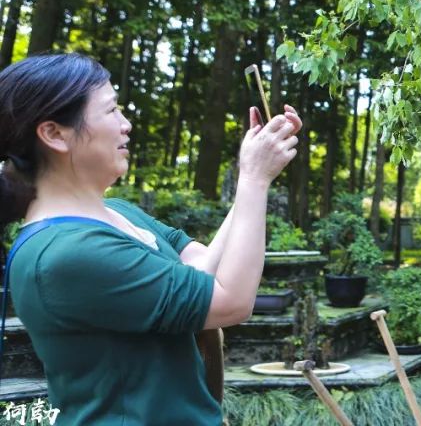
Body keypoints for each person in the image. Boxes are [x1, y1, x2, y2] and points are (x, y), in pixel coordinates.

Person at [0, 53, 301, 425]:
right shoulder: (65, 253)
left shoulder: (120, 213)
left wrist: (252, 172)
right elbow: (230, 301)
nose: (126, 125)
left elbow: (207, 269)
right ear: (54, 134)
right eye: (111, 112)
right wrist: (255, 179)